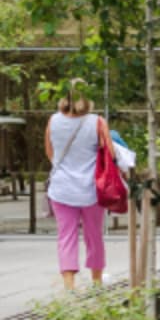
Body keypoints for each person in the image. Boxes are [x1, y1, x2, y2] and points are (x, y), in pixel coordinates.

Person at [44, 82, 109, 289]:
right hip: (91, 189)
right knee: (94, 235)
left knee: (66, 236)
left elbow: (50, 152)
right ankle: (97, 282)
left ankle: (69, 285)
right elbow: (109, 154)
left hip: (62, 188)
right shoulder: (97, 122)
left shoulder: (53, 121)